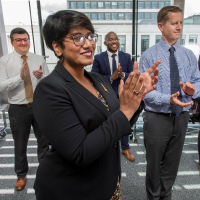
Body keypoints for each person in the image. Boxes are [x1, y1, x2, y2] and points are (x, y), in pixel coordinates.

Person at [33, 10, 160, 200]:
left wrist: (135, 99)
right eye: (77, 37)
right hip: (75, 188)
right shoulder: (50, 88)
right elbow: (80, 153)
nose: (88, 43)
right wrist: (125, 110)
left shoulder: (98, 79)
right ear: (57, 47)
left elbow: (118, 124)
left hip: (107, 179)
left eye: (90, 36)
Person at [139, 6, 200, 200]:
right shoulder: (149, 56)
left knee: (172, 166)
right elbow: (145, 93)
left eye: (181, 23)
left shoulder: (188, 54)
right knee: (154, 166)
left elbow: (197, 81)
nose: (179, 27)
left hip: (182, 117)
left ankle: (166, 197)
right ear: (161, 26)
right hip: (157, 117)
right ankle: (153, 197)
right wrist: (168, 99)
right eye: (174, 23)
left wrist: (193, 91)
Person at [0, 28, 50, 191]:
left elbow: (49, 82)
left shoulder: (39, 59)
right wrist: (19, 77)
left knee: (44, 141)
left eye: (25, 39)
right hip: (18, 108)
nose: (23, 42)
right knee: (20, 144)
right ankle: (21, 175)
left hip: (39, 106)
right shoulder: (4, 61)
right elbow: (1, 86)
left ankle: (45, 171)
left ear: (29, 40)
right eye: (19, 39)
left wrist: (40, 76)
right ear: (12, 42)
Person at [91, 32, 135, 162]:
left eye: (116, 39)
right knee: (107, 122)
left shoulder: (126, 57)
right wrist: (111, 77)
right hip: (105, 96)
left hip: (123, 95)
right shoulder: (99, 58)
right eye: (110, 39)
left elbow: (132, 75)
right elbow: (93, 77)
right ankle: (108, 147)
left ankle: (125, 148)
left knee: (124, 120)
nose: (114, 41)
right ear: (105, 43)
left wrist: (122, 75)